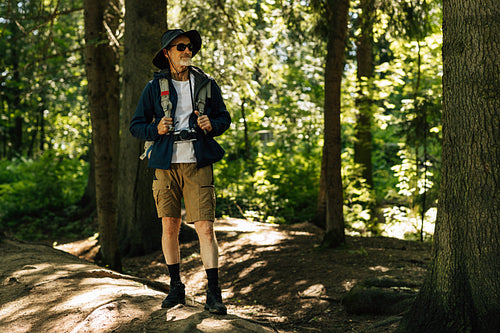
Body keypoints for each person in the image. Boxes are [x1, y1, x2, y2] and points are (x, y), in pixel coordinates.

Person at [129, 29, 231, 315]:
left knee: (205, 227)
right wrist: (154, 129)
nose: (187, 51)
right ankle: (176, 287)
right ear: (167, 53)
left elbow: (224, 118)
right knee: (169, 227)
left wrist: (214, 124)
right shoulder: (153, 87)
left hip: (197, 163)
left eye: (189, 47)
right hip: (165, 163)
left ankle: (214, 293)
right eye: (180, 47)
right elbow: (136, 125)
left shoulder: (206, 84)